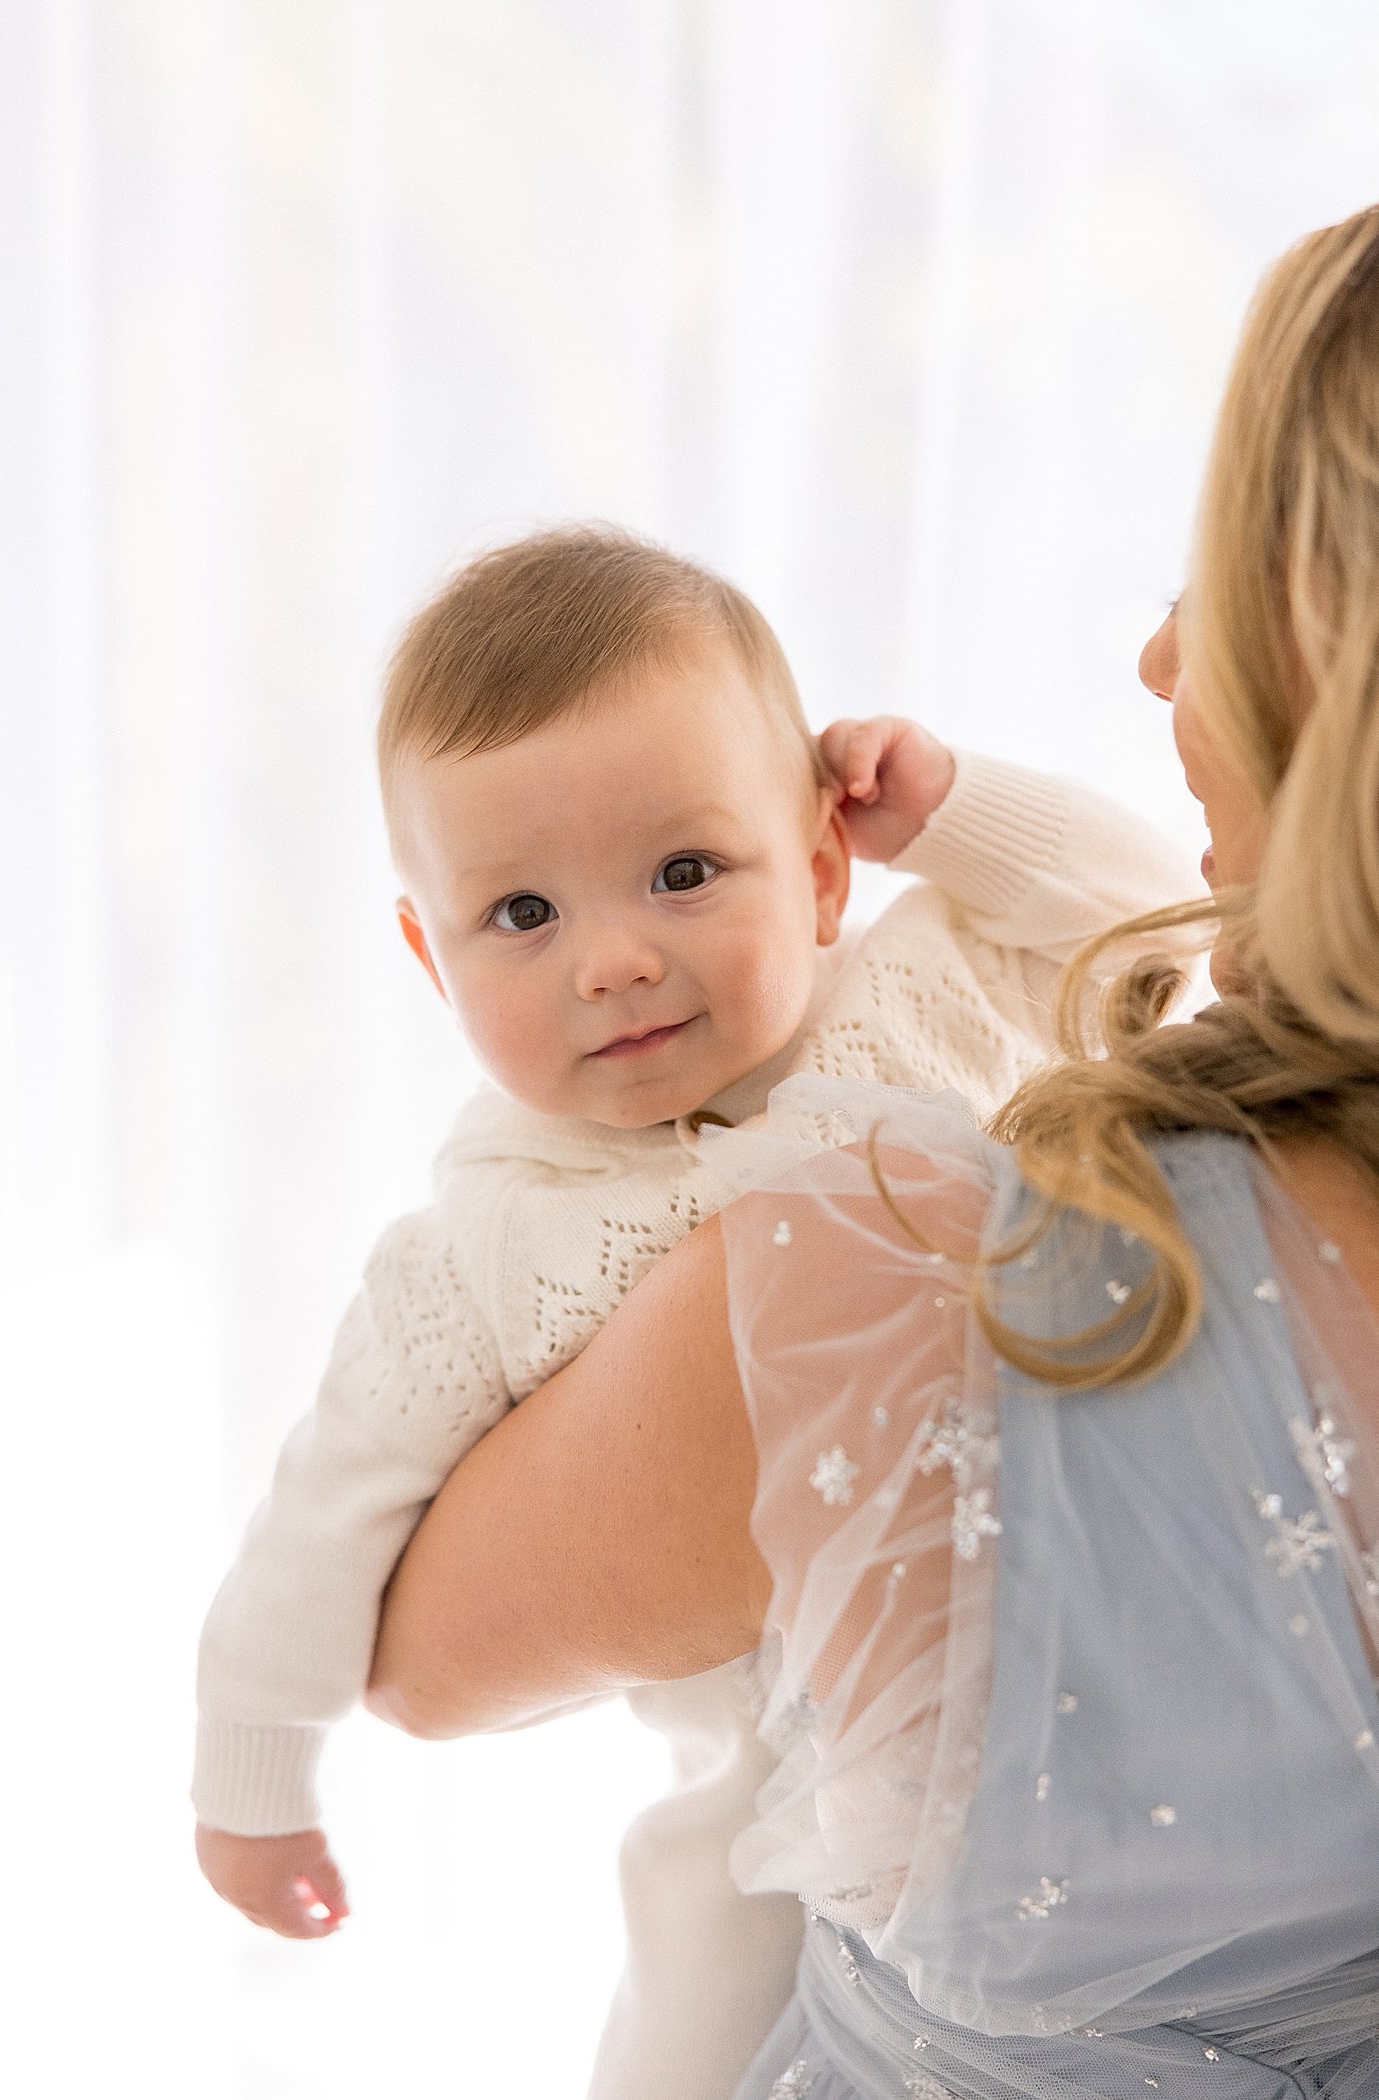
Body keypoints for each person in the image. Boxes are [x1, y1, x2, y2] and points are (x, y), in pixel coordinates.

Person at [366, 206, 1379, 2100]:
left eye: (1221, 580)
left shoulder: (888, 1267)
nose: (1163, 658)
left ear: (1340, 660)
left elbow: (419, 1656)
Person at [192, 525, 1195, 2100]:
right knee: (697, 2026)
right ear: (426, 955)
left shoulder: (919, 989)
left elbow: (1164, 932)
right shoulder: (478, 1247)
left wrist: (960, 814)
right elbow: (323, 1513)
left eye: (682, 873)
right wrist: (255, 1778)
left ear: (813, 870)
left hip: (1116, 1668)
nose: (614, 961)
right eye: (521, 914)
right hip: (772, 1792)